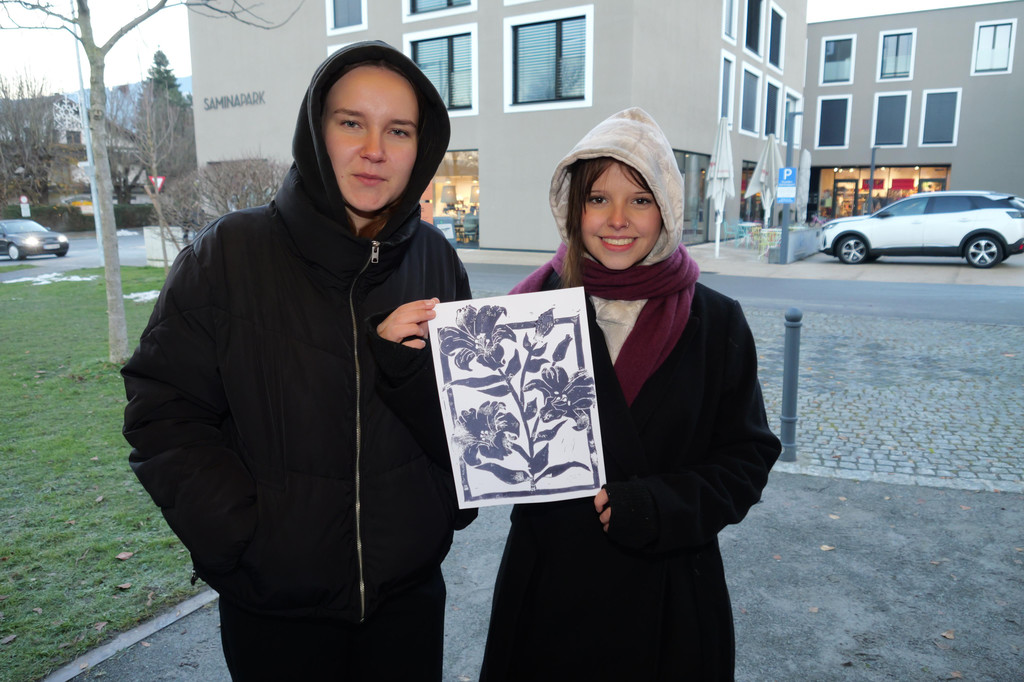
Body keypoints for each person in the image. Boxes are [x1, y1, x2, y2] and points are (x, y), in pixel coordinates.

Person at [122, 41, 473, 680]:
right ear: (316, 132)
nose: (375, 149)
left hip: (407, 600)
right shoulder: (229, 254)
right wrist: (241, 539)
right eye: (352, 123)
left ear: (420, 148)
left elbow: (464, 409)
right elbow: (164, 413)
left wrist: (448, 503)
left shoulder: (435, 259)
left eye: (398, 130)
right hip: (277, 613)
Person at [479, 107, 782, 680]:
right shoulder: (525, 315)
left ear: (666, 207)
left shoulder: (717, 321)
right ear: (573, 207)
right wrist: (407, 365)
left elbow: (748, 458)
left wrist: (661, 505)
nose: (617, 219)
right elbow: (471, 441)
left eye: (640, 199)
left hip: (668, 598)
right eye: (598, 198)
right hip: (548, 593)